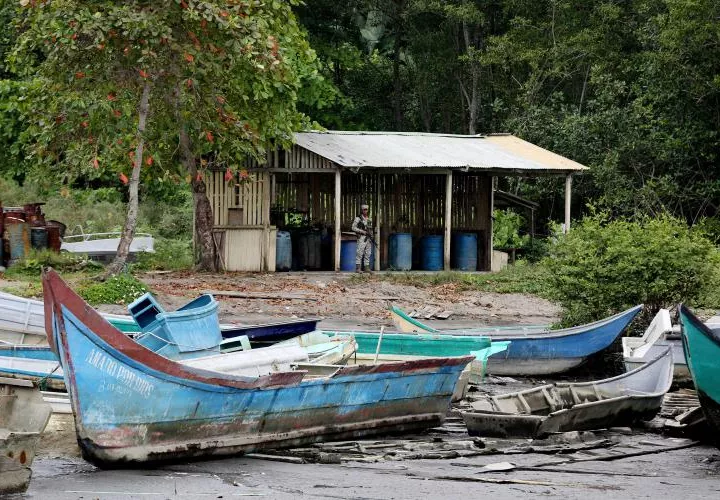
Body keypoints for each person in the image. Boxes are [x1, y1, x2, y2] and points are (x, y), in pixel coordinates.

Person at [351, 203, 373, 273]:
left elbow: (370, 228)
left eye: (366, 209)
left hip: (368, 238)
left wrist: (371, 234)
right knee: (359, 252)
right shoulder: (358, 218)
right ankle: (358, 268)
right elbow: (353, 227)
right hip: (361, 237)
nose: (365, 211)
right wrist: (362, 231)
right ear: (362, 210)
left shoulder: (369, 219)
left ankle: (366, 268)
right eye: (364, 210)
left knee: (368, 253)